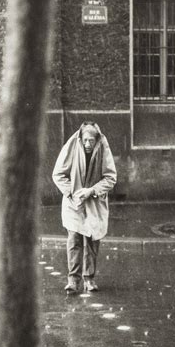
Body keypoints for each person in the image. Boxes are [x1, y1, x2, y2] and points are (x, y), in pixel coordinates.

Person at [52, 122, 117, 293]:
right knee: (74, 239)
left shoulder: (103, 148)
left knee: (92, 240)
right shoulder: (71, 147)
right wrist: (72, 193)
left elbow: (110, 177)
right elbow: (58, 174)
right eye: (85, 141)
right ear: (80, 139)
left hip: (94, 202)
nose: (88, 144)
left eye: (91, 141)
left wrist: (92, 190)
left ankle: (89, 279)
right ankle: (73, 280)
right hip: (74, 202)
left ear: (97, 141)